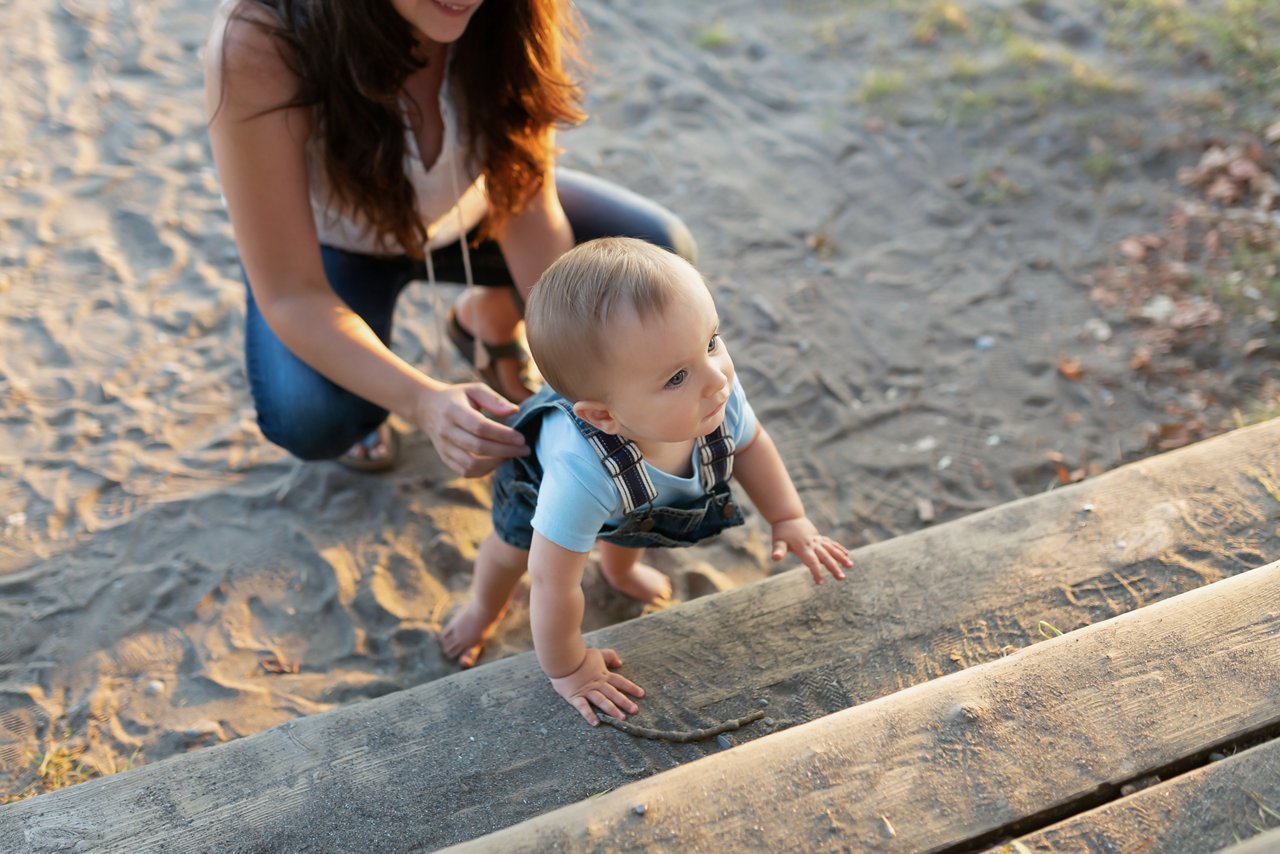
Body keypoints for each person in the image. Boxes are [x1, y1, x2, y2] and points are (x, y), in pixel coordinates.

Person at [203, 0, 697, 475]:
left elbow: (524, 205)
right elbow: (291, 293)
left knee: (651, 259)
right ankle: (366, 405)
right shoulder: (260, 38)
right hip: (332, 245)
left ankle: (486, 320)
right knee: (312, 416)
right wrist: (423, 401)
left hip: (468, 210)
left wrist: (582, 383)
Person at [441, 238, 853, 726]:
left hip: (628, 496)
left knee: (635, 512)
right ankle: (482, 608)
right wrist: (570, 669)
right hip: (535, 480)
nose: (716, 378)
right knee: (512, 551)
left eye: (711, 343)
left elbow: (751, 445)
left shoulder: (715, 395)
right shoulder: (578, 476)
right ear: (604, 415)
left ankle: (618, 571)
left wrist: (788, 517)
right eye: (677, 377)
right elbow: (552, 582)